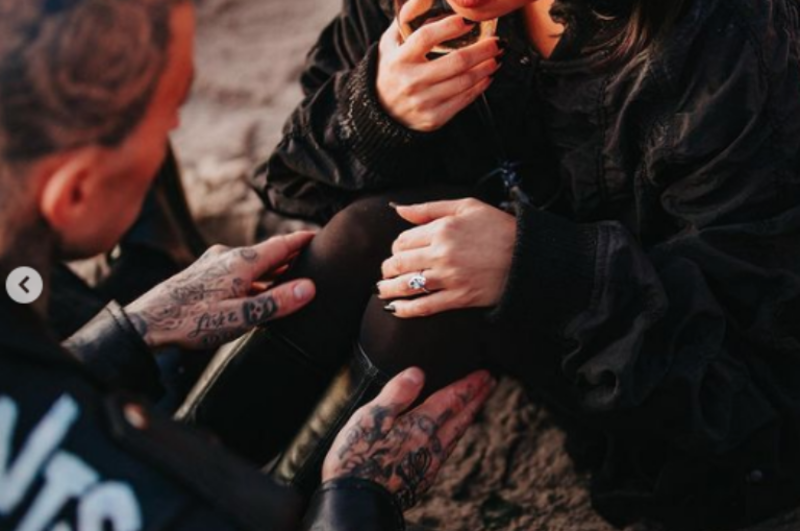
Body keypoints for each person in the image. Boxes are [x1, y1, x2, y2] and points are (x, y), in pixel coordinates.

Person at [184, 0, 800, 529]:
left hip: (666, 380)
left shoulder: (725, 39)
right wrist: (377, 114)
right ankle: (180, 482)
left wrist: (540, 267)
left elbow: (752, 376)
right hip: (541, 321)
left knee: (421, 301)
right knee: (367, 235)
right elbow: (297, 189)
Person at [0, 1, 496, 530]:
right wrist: (357, 499)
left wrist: (128, 334)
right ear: (75, 193)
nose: (175, 125)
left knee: (364, 239)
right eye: (172, 109)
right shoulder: (137, 504)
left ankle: (156, 273)